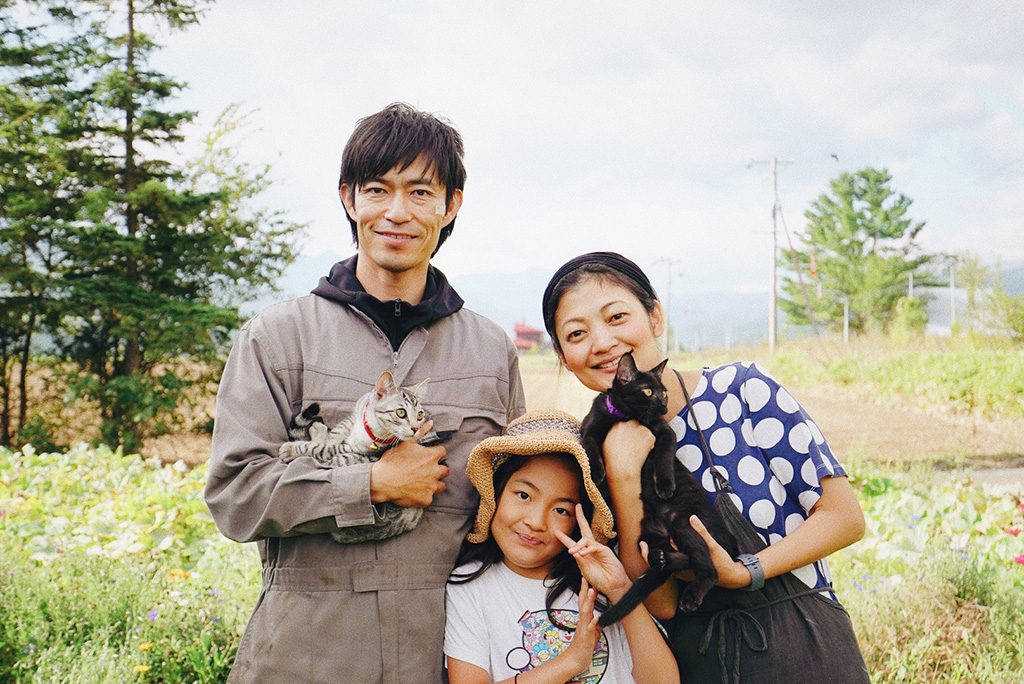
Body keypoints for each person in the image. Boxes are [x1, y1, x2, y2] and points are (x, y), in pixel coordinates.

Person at [205, 103, 525, 683]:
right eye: (378, 190)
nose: (397, 213)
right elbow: (235, 496)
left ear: (451, 204)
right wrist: (370, 483)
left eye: (420, 192)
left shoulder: (490, 350)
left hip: (448, 655)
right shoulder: (280, 337)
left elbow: (516, 502)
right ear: (348, 199)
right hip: (305, 655)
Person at [541, 252, 869, 683]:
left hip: (807, 650)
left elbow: (844, 518)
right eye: (577, 333)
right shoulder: (592, 454)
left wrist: (742, 571)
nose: (601, 342)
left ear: (655, 317)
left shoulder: (742, 390)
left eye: (617, 317)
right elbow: (661, 603)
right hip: (703, 663)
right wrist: (622, 477)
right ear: (564, 357)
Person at [444, 410, 680, 684]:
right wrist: (570, 662)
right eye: (524, 495)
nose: (535, 522)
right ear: (495, 493)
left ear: (579, 523)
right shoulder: (471, 587)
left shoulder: (602, 578)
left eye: (561, 510)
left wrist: (620, 591)